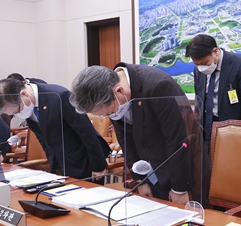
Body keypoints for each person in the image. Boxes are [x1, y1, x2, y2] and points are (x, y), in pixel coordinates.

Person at [70, 63, 198, 205]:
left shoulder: (159, 86)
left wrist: (179, 189)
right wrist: (140, 180)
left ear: (119, 91)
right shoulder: (108, 91)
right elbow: (126, 141)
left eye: (109, 113)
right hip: (153, 175)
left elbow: (177, 140)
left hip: (184, 175)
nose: (111, 116)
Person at [0, 78, 110, 179]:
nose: (18, 115)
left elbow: (86, 132)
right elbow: (44, 139)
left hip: (83, 163)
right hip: (59, 167)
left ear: (24, 94)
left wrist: (98, 166)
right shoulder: (28, 106)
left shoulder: (59, 96)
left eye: (18, 111)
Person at [185, 34, 241, 142]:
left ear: (215, 51)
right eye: (197, 64)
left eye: (205, 63)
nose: (202, 68)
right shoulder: (198, 70)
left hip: (233, 129)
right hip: (206, 127)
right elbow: (199, 99)